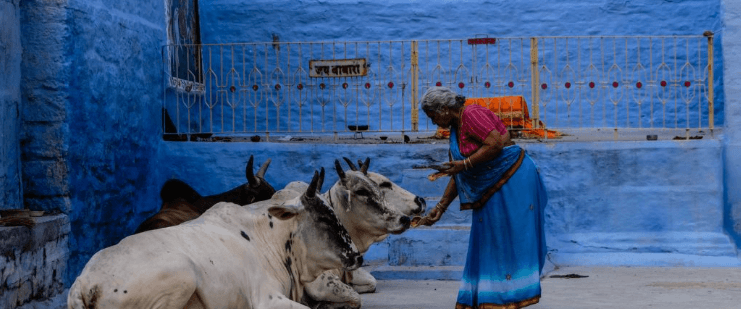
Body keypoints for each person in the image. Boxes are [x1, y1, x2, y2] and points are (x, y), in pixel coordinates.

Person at [415, 86, 548, 309]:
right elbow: (459, 173)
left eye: (433, 116)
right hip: (490, 184)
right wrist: (441, 206)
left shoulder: (471, 114)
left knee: (507, 238)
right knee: (488, 238)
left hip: (511, 177)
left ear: (445, 109)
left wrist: (465, 163)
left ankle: (508, 297)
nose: (434, 122)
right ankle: (489, 296)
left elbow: (495, 143)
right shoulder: (456, 129)